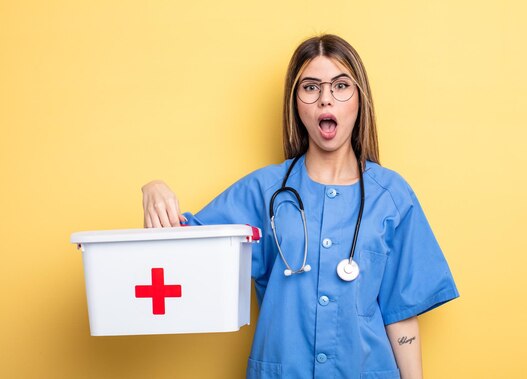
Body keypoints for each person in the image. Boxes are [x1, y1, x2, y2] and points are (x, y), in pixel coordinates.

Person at [142, 34, 459, 379]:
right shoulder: (263, 191)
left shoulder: (392, 196)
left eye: (340, 86)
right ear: (295, 103)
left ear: (360, 99)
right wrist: (153, 188)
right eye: (310, 87)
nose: (326, 100)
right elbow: (182, 249)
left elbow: (400, 313)